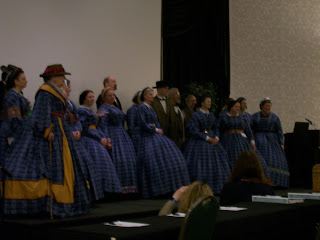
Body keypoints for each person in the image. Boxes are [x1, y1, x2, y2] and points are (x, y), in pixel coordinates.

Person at [2, 64, 92, 217]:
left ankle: (67, 200)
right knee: (50, 166)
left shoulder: (52, 90)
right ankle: (52, 202)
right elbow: (42, 111)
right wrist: (46, 130)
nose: (64, 79)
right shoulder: (45, 91)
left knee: (64, 165)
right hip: (52, 130)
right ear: (53, 77)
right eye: (62, 76)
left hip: (60, 130)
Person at [137, 87, 189, 199]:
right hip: (147, 137)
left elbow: (156, 122)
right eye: (150, 94)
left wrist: (159, 129)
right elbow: (142, 123)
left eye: (152, 94)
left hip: (157, 135)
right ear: (145, 96)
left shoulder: (150, 108)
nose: (152, 96)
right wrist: (155, 130)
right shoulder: (142, 108)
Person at [61, 81, 103, 200]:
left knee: (85, 165)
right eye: (66, 88)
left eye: (68, 87)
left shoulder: (71, 104)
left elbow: (77, 120)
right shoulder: (59, 104)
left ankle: (87, 196)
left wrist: (78, 130)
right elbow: (61, 121)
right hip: (67, 138)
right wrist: (71, 132)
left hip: (76, 138)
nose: (69, 89)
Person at [78, 90, 122, 197]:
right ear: (84, 98)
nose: (92, 99)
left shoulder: (91, 111)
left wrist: (103, 137)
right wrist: (99, 138)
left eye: (93, 97)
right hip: (88, 139)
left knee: (104, 164)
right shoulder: (81, 111)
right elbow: (85, 128)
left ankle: (106, 191)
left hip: (95, 137)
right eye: (89, 97)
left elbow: (95, 126)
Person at [184, 95, 231, 195]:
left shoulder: (211, 115)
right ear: (202, 103)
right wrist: (207, 138)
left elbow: (216, 127)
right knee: (200, 164)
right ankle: (199, 189)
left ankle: (217, 188)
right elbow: (193, 130)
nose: (209, 103)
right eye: (208, 102)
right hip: (200, 142)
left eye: (210, 102)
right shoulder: (196, 115)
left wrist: (217, 137)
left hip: (213, 141)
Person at [97, 87, 138, 194]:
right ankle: (117, 189)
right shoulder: (103, 109)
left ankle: (130, 188)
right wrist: (107, 139)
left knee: (128, 160)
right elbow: (103, 126)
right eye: (109, 95)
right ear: (104, 97)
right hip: (113, 134)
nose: (112, 97)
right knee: (117, 160)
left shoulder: (115, 107)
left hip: (122, 135)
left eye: (113, 95)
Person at [218, 99, 271, 179]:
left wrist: (252, 140)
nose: (238, 108)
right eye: (236, 107)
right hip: (228, 140)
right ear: (231, 107)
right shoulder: (223, 116)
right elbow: (219, 129)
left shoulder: (242, 117)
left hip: (241, 140)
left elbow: (248, 130)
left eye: (239, 107)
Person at [251, 97, 289, 188]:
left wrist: (281, 143)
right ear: (262, 107)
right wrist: (251, 140)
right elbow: (251, 129)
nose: (268, 108)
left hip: (272, 140)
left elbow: (279, 130)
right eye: (266, 106)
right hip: (259, 139)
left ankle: (275, 181)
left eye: (269, 106)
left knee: (276, 160)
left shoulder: (275, 117)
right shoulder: (255, 116)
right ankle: (261, 181)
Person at [0, 65, 30, 165]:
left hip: (18, 129)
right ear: (16, 81)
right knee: (10, 162)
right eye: (23, 79)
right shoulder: (11, 95)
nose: (26, 81)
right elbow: (15, 119)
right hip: (11, 131)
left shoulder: (18, 94)